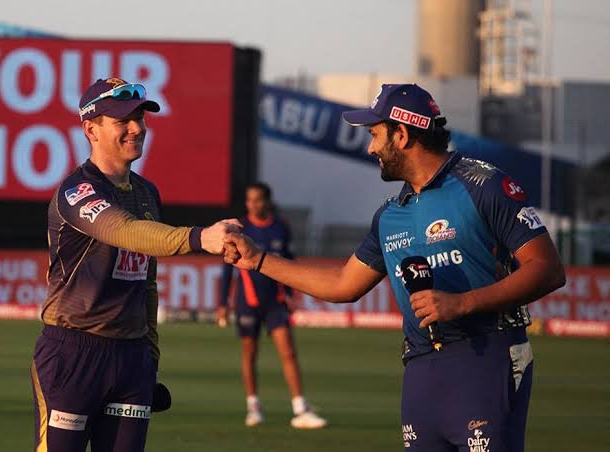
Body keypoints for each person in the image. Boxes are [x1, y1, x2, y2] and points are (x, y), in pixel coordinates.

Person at [223, 84, 566, 451]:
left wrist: (462, 303)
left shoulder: (484, 185)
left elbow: (547, 268)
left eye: (374, 135)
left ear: (401, 134)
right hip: (420, 371)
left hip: (486, 360)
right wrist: (258, 260)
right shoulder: (389, 215)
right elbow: (342, 285)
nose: (370, 148)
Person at [31, 77, 240, 452]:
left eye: (139, 118)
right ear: (91, 130)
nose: (137, 128)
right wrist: (199, 238)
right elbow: (124, 231)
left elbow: (147, 283)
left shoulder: (146, 192)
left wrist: (149, 359)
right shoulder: (77, 190)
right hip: (73, 353)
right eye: (122, 120)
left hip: (131, 357)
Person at [218, 182, 327, 429]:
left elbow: (289, 261)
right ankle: (253, 406)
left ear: (267, 201)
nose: (253, 204)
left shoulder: (280, 227)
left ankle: (300, 409)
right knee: (250, 353)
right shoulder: (239, 229)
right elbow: (227, 268)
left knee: (288, 351)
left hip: (275, 302)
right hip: (248, 301)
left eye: (257, 200)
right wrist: (223, 302)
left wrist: (289, 293)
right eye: (249, 200)